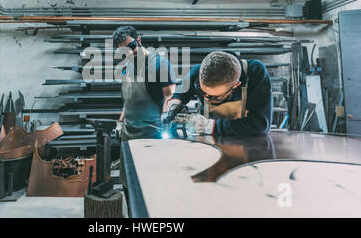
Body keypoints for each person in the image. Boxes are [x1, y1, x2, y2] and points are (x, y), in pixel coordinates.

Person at [112, 25, 176, 212]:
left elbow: (169, 96)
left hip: (151, 136)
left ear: (138, 40)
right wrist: (120, 121)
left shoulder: (160, 64)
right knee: (128, 183)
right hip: (128, 135)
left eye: (131, 46)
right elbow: (128, 98)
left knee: (150, 187)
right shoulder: (127, 67)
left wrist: (165, 119)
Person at [164, 51, 272, 136]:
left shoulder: (255, 72)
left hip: (245, 143)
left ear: (236, 86)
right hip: (209, 142)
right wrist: (174, 105)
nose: (207, 98)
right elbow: (180, 93)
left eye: (214, 97)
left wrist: (210, 126)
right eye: (202, 91)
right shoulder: (198, 71)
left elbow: (260, 125)